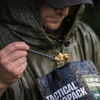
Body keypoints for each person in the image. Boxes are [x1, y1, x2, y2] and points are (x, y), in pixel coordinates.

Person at [0, 0, 100, 99]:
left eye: (71, 3)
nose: (64, 12)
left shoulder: (84, 36)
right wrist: (2, 82)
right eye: (57, 3)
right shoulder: (3, 41)